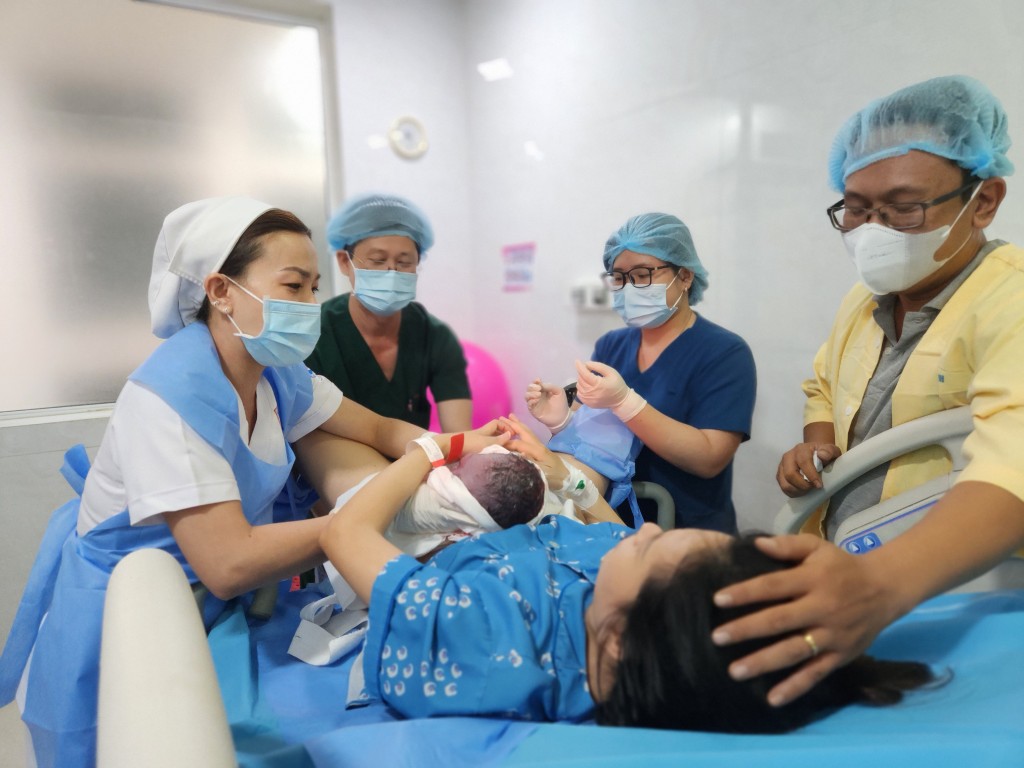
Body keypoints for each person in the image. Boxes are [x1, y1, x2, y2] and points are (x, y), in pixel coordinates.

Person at [0, 197, 444, 768]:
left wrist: (455, 448)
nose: (310, 305)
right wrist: (364, 520)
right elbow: (229, 561)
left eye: (313, 288)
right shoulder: (169, 396)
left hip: (214, 603)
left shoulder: (276, 374)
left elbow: (378, 427)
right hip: (129, 612)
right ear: (220, 291)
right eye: (293, 286)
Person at [713, 75, 1024, 709]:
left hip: (968, 589)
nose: (872, 230)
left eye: (903, 207)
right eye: (855, 208)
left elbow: (1011, 469)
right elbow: (823, 384)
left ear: (984, 201)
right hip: (858, 567)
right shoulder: (865, 302)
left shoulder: (1010, 302)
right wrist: (817, 443)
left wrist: (878, 586)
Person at [320, 430, 936, 733]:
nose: (648, 530)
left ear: (618, 638)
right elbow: (616, 537)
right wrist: (564, 477)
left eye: (654, 544)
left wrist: (435, 450)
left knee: (331, 446)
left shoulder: (478, 632)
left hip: (425, 543)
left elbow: (344, 532)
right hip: (529, 522)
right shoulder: (647, 620)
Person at [527, 213, 757, 533]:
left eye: (642, 274)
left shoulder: (724, 353)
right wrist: (563, 423)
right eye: (619, 278)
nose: (629, 288)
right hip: (606, 522)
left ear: (685, 276)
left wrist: (625, 403)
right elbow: (588, 440)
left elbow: (709, 458)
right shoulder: (611, 345)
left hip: (686, 531)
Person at [306, 192, 472, 432]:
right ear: (344, 262)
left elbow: (459, 433)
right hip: (340, 455)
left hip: (419, 453)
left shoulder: (434, 336)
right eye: (377, 260)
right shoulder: (315, 335)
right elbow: (310, 436)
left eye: (404, 262)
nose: (391, 272)